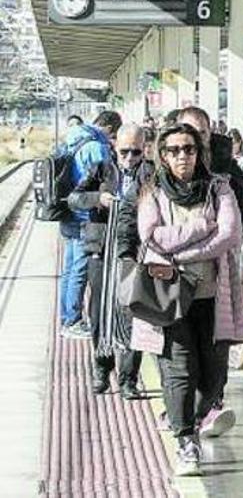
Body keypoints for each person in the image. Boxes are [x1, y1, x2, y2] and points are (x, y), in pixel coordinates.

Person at [132, 122, 243, 477]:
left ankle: (192, 422)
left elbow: (229, 234)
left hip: (214, 297)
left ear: (200, 153)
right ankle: (185, 440)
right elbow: (151, 236)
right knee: (180, 369)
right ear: (162, 156)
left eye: (189, 149)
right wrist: (202, 228)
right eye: (174, 150)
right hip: (171, 296)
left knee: (213, 375)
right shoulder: (151, 192)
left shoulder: (219, 188)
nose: (183, 155)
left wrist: (180, 250)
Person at [70, 123, 151, 398]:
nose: (129, 158)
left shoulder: (150, 173)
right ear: (115, 146)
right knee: (99, 312)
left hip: (134, 251)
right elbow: (74, 198)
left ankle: (129, 379)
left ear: (145, 149)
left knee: (133, 312)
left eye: (136, 152)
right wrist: (98, 199)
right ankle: (102, 369)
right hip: (101, 249)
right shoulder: (101, 169)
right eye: (125, 151)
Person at [59, 110, 122, 338]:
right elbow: (107, 181)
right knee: (80, 268)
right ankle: (73, 321)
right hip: (85, 215)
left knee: (68, 269)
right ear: (109, 128)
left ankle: (66, 317)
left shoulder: (72, 137)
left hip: (67, 208)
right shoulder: (97, 146)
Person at [176, 107, 243, 228]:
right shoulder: (166, 169)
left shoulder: (228, 170)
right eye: (191, 132)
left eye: (202, 132)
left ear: (209, 133)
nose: (197, 138)